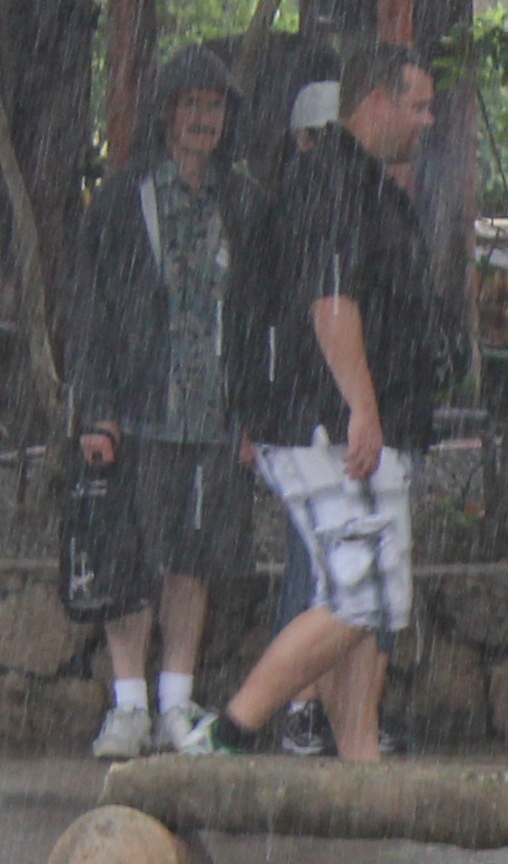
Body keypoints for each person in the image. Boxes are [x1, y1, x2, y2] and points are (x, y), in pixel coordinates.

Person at [177, 46, 442, 761]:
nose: (429, 118)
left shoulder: (367, 186)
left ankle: (357, 755)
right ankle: (227, 732)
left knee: (372, 600)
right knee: (359, 599)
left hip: (353, 420)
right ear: (376, 103)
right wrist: (362, 406)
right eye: (418, 104)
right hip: (329, 422)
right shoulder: (330, 181)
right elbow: (330, 302)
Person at [62, 54, 266, 756]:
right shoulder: (123, 201)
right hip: (139, 408)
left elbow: (263, 316)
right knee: (129, 557)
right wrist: (95, 407)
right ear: (166, 114)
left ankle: (178, 704)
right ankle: (128, 706)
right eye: (191, 105)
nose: (203, 120)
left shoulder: (242, 203)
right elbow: (89, 309)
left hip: (215, 416)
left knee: (194, 558)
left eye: (215, 107)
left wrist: (256, 417)